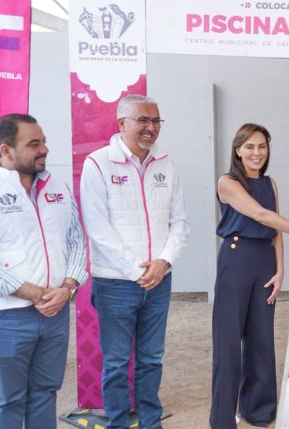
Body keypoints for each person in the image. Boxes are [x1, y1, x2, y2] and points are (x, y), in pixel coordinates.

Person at [0, 114, 87, 428]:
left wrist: (68, 287)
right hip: (5, 316)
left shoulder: (58, 187)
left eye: (43, 141)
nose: (44, 149)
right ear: (6, 150)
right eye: (33, 144)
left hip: (54, 312)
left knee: (45, 392)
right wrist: (35, 293)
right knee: (9, 399)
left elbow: (76, 241)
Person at [80, 95, 190, 429]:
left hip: (159, 280)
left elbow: (180, 223)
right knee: (116, 362)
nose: (151, 127)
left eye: (156, 121)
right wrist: (135, 270)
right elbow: (97, 227)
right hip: (115, 283)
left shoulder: (166, 163)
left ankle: (150, 422)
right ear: (122, 123)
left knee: (152, 358)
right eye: (143, 120)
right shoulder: (99, 163)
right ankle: (117, 423)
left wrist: (163, 263)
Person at [210, 123, 289, 429]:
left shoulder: (270, 183)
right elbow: (262, 216)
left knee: (261, 339)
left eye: (262, 146)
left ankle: (259, 409)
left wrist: (280, 269)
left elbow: (275, 228)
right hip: (236, 261)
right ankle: (222, 418)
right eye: (249, 146)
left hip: (265, 261)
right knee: (228, 343)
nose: (257, 153)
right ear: (238, 150)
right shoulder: (228, 182)